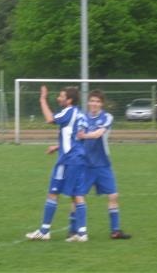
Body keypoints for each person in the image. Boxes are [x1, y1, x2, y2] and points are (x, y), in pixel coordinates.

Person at [25, 85, 89, 242]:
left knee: (55, 192)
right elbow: (76, 137)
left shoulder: (68, 111)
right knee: (76, 195)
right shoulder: (81, 115)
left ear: (69, 100)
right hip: (77, 158)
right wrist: (58, 146)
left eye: (61, 96)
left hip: (68, 160)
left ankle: (45, 231)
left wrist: (42, 99)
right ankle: (81, 233)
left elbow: (50, 119)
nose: (59, 98)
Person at [76, 89, 132, 239]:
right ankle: (75, 230)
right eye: (92, 101)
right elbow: (76, 136)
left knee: (113, 195)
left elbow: (98, 134)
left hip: (102, 164)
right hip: (86, 164)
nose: (94, 104)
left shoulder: (107, 117)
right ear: (88, 102)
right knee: (78, 196)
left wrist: (84, 135)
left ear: (102, 104)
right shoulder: (82, 118)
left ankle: (115, 231)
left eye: (97, 101)